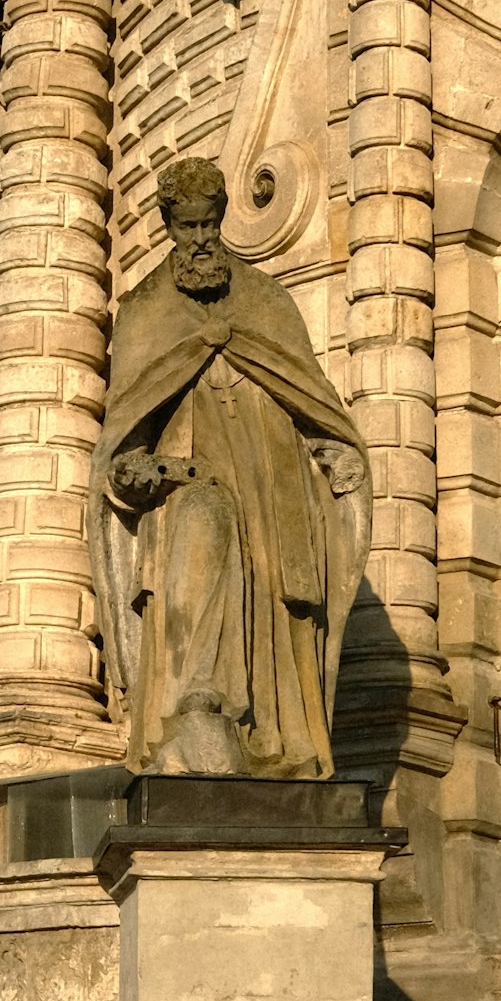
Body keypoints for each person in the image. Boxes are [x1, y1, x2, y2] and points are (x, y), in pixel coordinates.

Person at [88, 158, 370, 777]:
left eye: (209, 224)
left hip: (275, 493)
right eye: (187, 228)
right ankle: (197, 717)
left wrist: (337, 453)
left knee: (278, 618)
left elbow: (312, 399)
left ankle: (282, 754)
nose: (200, 240)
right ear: (166, 225)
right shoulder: (144, 311)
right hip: (188, 495)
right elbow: (121, 448)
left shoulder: (266, 300)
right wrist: (135, 478)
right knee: (203, 528)